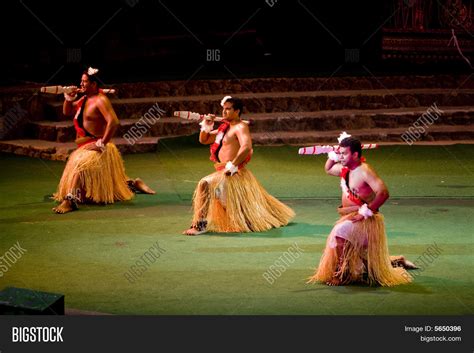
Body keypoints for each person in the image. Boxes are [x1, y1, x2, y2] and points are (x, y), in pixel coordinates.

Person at [307, 134, 415, 286]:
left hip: (366, 221)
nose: (341, 156)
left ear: (355, 154)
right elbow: (329, 168)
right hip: (351, 217)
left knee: (339, 233)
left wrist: (365, 213)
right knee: (367, 262)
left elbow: (383, 193)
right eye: (340, 153)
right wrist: (333, 155)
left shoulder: (364, 171)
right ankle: (397, 261)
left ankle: (342, 274)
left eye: (344, 153)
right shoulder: (346, 169)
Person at [183, 96, 294, 235]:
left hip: (234, 172)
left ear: (237, 111)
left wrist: (233, 165)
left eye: (228, 109)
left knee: (204, 184)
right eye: (223, 109)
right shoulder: (223, 129)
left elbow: (246, 147)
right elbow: (204, 140)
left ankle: (200, 226)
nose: (224, 112)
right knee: (238, 210)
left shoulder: (241, 127)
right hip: (223, 171)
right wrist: (206, 125)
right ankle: (207, 223)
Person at [53, 67, 155, 214]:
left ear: (94, 84)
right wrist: (69, 98)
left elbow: (113, 122)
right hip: (85, 146)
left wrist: (101, 143)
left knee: (80, 165)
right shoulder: (84, 99)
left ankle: (70, 200)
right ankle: (131, 184)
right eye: (81, 81)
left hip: (98, 145)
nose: (81, 84)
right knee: (97, 181)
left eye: (85, 82)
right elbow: (67, 111)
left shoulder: (101, 100)